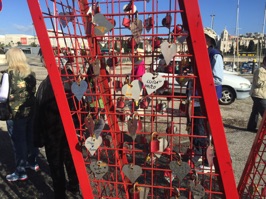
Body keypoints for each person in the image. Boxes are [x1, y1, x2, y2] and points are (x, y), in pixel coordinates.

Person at [33, 65, 79, 198]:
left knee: (55, 162)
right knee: (70, 157)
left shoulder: (47, 84)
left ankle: (60, 193)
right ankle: (74, 184)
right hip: (70, 128)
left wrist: (38, 136)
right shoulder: (72, 81)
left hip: (52, 129)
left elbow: (39, 111)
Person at [189, 27, 224, 172]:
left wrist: (199, 78)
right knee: (198, 125)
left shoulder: (214, 55)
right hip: (198, 96)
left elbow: (217, 78)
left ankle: (204, 157)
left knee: (202, 127)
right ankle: (201, 155)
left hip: (207, 97)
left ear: (208, 40)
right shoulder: (203, 54)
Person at [4, 47, 39, 182]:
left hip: (15, 113)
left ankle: (20, 171)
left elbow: (2, 96)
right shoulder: (31, 73)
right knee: (30, 137)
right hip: (30, 110)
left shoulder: (8, 74)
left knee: (19, 142)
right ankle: (32, 162)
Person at [247, 56, 266, 132]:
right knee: (264, 112)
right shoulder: (261, 70)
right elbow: (259, 83)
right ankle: (262, 129)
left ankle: (251, 127)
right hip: (259, 95)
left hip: (260, 94)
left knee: (255, 111)